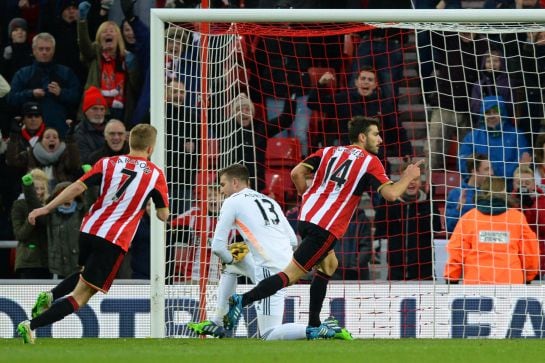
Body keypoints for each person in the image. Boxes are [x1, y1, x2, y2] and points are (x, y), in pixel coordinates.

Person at [225, 116, 423, 339]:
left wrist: (305, 194)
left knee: (329, 264)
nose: (380, 139)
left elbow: (296, 173)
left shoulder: (329, 151)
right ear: (362, 136)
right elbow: (392, 194)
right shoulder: (370, 161)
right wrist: (407, 176)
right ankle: (243, 300)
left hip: (307, 218)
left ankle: (314, 324)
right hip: (326, 228)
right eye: (376, 134)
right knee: (289, 276)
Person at [17, 123, 169, 344]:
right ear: (151, 148)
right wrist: (159, 207)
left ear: (129, 142)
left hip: (89, 229)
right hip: (114, 239)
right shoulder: (155, 175)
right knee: (81, 296)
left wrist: (46, 208)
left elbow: (77, 187)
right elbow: (163, 215)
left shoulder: (108, 163)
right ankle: (30, 325)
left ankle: (50, 295)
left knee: (84, 272)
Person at [186, 164, 352, 340]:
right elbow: (293, 240)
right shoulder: (269, 201)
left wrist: (230, 257)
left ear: (234, 183)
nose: (221, 190)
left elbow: (218, 246)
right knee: (232, 263)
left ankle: (323, 329)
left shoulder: (232, 201)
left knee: (269, 333)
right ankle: (217, 323)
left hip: (269, 270)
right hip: (288, 267)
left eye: (222, 184)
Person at [444, 176, 539, 284]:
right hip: (510, 281)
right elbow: (529, 251)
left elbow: (457, 250)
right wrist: (529, 276)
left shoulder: (469, 217)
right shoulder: (517, 218)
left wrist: (452, 277)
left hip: (476, 282)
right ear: (505, 192)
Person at [374, 161, 441, 280]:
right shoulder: (389, 203)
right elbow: (379, 231)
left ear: (421, 182)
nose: (411, 182)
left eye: (415, 178)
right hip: (395, 273)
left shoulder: (428, 204)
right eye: (408, 178)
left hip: (424, 274)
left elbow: (437, 228)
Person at [7, 32, 81, 137]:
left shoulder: (66, 73)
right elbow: (11, 99)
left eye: (48, 49)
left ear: (53, 50)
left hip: (60, 131)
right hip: (30, 134)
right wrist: (31, 94)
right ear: (34, 50)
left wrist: (61, 93)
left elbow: (77, 97)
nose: (44, 52)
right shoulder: (23, 74)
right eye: (41, 49)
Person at [458, 95, 531, 186]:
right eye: (487, 112)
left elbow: (522, 165)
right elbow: (464, 166)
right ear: (482, 114)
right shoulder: (472, 137)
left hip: (509, 189)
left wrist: (488, 171)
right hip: (479, 189)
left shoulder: (517, 136)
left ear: (502, 113)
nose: (491, 116)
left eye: (495, 111)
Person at [11, 169, 51, 279]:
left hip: (48, 262)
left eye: (42, 188)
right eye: (36, 188)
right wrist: (29, 221)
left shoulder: (50, 206)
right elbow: (20, 235)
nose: (39, 192)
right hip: (27, 262)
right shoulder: (19, 205)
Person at [445, 154, 493, 233]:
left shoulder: (495, 192)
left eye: (491, 169)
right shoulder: (456, 194)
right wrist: (458, 209)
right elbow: (450, 228)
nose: (491, 173)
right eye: (487, 169)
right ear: (474, 172)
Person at [73, 86, 110, 164]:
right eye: (94, 109)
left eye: (102, 109)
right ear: (86, 111)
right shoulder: (79, 132)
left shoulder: (113, 129)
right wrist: (109, 146)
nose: (99, 113)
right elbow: (85, 160)